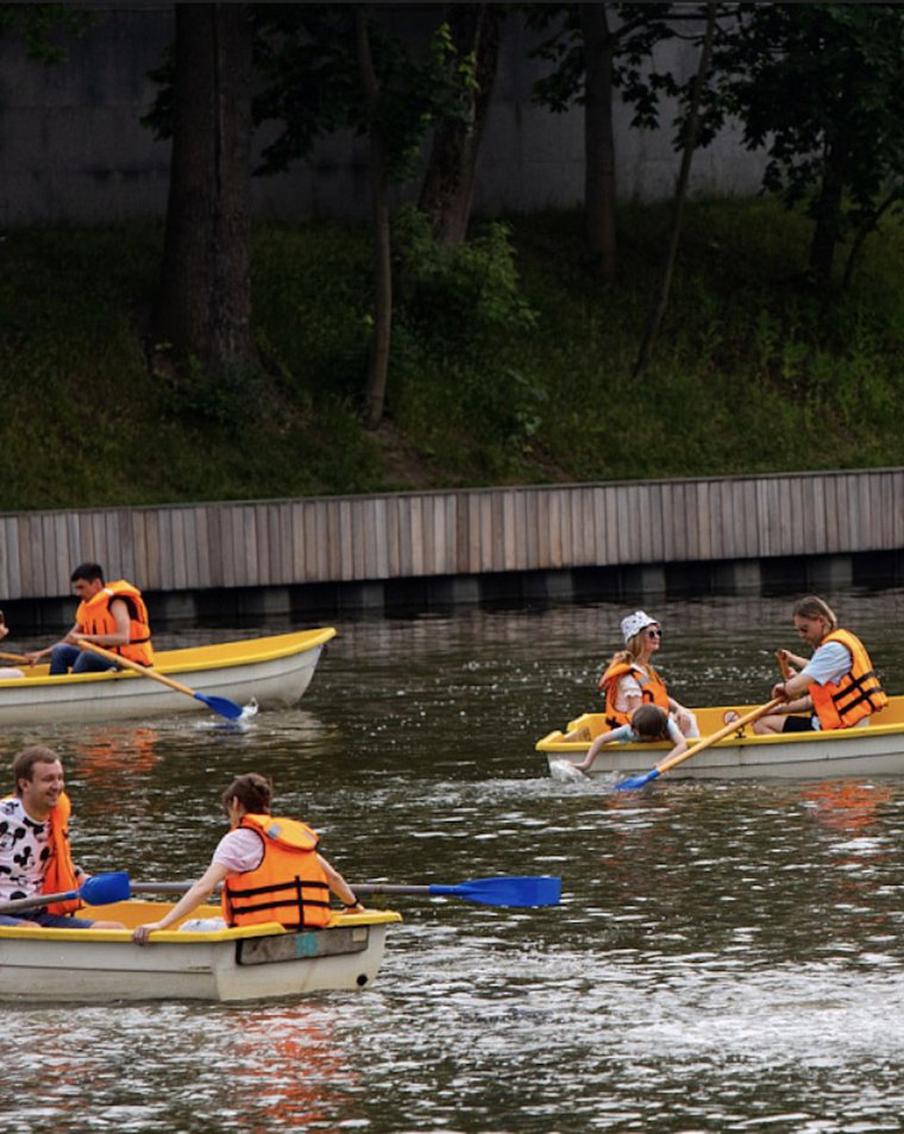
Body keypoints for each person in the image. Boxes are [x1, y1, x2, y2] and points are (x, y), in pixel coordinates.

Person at [133, 773, 366, 943]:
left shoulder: (237, 840)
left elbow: (204, 888)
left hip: (257, 935)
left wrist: (161, 924)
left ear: (235, 804)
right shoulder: (291, 837)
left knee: (187, 927)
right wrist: (354, 907)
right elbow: (333, 878)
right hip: (306, 928)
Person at [0, 746, 124, 929]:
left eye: (59, 778)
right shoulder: (4, 816)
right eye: (48, 779)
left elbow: (57, 860)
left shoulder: (55, 816)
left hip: (36, 911)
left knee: (114, 930)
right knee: (31, 930)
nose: (57, 786)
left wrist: (85, 880)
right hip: (4, 913)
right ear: (25, 784)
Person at [754, 595, 887, 734]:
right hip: (846, 723)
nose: (801, 635)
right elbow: (814, 699)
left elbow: (794, 688)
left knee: (761, 724)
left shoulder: (832, 650)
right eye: (798, 630)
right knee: (771, 717)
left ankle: (799, 756)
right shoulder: (840, 641)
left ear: (821, 621)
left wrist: (785, 688)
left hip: (842, 728)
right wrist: (780, 708)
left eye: (805, 629)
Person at [24, 562, 154, 675]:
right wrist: (42, 653)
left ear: (96, 583)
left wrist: (87, 638)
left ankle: (71, 693)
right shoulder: (88, 606)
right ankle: (55, 691)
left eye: (81, 587)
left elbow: (123, 638)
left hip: (128, 662)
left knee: (87, 656)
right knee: (60, 651)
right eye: (76, 588)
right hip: (103, 658)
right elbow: (71, 638)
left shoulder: (116, 603)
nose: (78, 593)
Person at [597, 610, 699, 738]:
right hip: (639, 729)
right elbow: (639, 714)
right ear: (638, 639)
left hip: (653, 721)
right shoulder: (629, 676)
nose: (657, 636)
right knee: (688, 721)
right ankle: (692, 753)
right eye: (651, 634)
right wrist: (668, 718)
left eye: (658, 633)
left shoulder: (644, 669)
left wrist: (679, 709)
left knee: (687, 716)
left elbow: (658, 696)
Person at [574, 703, 688, 774]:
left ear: (656, 735)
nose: (636, 734)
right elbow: (600, 739)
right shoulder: (629, 730)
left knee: (686, 722)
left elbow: (682, 745)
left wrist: (664, 763)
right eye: (635, 732)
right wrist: (587, 763)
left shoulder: (668, 725)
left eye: (641, 736)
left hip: (675, 725)